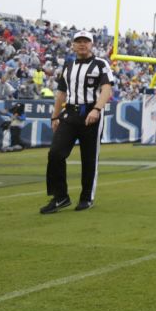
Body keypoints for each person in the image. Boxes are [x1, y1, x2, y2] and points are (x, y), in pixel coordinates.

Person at [40, 31, 114, 214]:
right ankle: (60, 196)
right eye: (78, 41)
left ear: (92, 44)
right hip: (70, 113)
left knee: (89, 158)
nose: (82, 44)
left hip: (91, 113)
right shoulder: (68, 66)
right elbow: (61, 94)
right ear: (73, 45)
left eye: (86, 41)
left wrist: (97, 109)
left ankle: (86, 197)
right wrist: (55, 116)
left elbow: (106, 90)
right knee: (55, 153)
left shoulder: (100, 64)